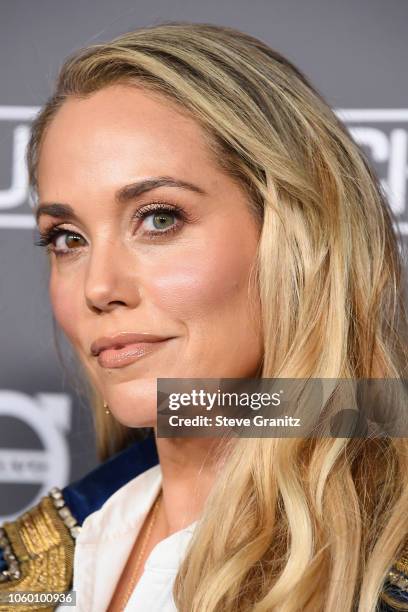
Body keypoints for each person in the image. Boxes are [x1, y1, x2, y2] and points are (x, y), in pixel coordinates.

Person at [1, 20, 408, 612]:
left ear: (295, 237)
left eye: (159, 218)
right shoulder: (37, 559)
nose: (99, 287)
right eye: (66, 238)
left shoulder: (385, 569)